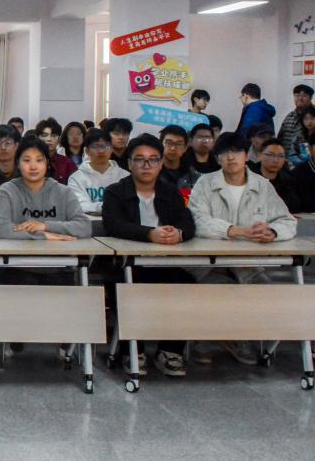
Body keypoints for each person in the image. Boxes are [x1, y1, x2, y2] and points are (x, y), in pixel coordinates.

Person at [187, 132, 296, 366]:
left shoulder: (262, 185)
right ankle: (206, 338)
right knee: (219, 289)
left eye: (237, 152)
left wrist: (273, 232)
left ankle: (242, 337)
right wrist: (234, 230)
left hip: (249, 263)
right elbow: (196, 221)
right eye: (225, 153)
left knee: (265, 290)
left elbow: (287, 220)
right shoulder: (205, 183)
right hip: (209, 262)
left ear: (247, 156)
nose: (231, 157)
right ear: (217, 158)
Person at [101, 134, 197, 378]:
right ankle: (133, 351)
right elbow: (114, 225)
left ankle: (170, 350)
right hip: (126, 264)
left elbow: (188, 223)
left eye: (153, 159)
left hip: (165, 263)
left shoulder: (170, 193)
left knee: (185, 284)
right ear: (129, 163)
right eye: (140, 159)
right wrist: (149, 234)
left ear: (161, 163)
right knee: (129, 287)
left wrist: (178, 234)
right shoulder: (115, 192)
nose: (147, 165)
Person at [0, 137, 91, 241]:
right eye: (26, 160)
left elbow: (85, 227)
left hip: (59, 250)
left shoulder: (64, 192)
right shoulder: (7, 191)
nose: (33, 167)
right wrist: (44, 235)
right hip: (17, 251)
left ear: (47, 163)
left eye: (39, 160)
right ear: (18, 163)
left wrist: (45, 226)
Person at [67, 128, 129, 213]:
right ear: (87, 151)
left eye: (105, 146)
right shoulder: (76, 178)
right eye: (95, 146)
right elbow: (79, 205)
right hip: (88, 220)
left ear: (111, 149)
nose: (101, 151)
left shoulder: (125, 176)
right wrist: (109, 206)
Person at [280, 84, 315, 159]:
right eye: (297, 95)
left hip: (309, 162)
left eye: (304, 96)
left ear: (311, 98)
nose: (300, 98)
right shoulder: (290, 116)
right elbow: (280, 138)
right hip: (285, 161)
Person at [250, 137, 300, 213]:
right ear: (260, 155)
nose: (276, 160)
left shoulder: (288, 180)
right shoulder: (249, 178)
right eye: (270, 155)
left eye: (281, 156)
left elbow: (294, 206)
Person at [157, 125, 200, 192]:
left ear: (185, 148)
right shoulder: (151, 171)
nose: (173, 148)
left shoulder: (194, 176)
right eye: (168, 143)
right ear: (160, 144)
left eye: (179, 144)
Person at [36, 118, 77, 184]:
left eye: (53, 135)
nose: (49, 139)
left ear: (58, 140)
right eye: (44, 135)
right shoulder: (30, 162)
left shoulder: (68, 164)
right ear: (37, 139)